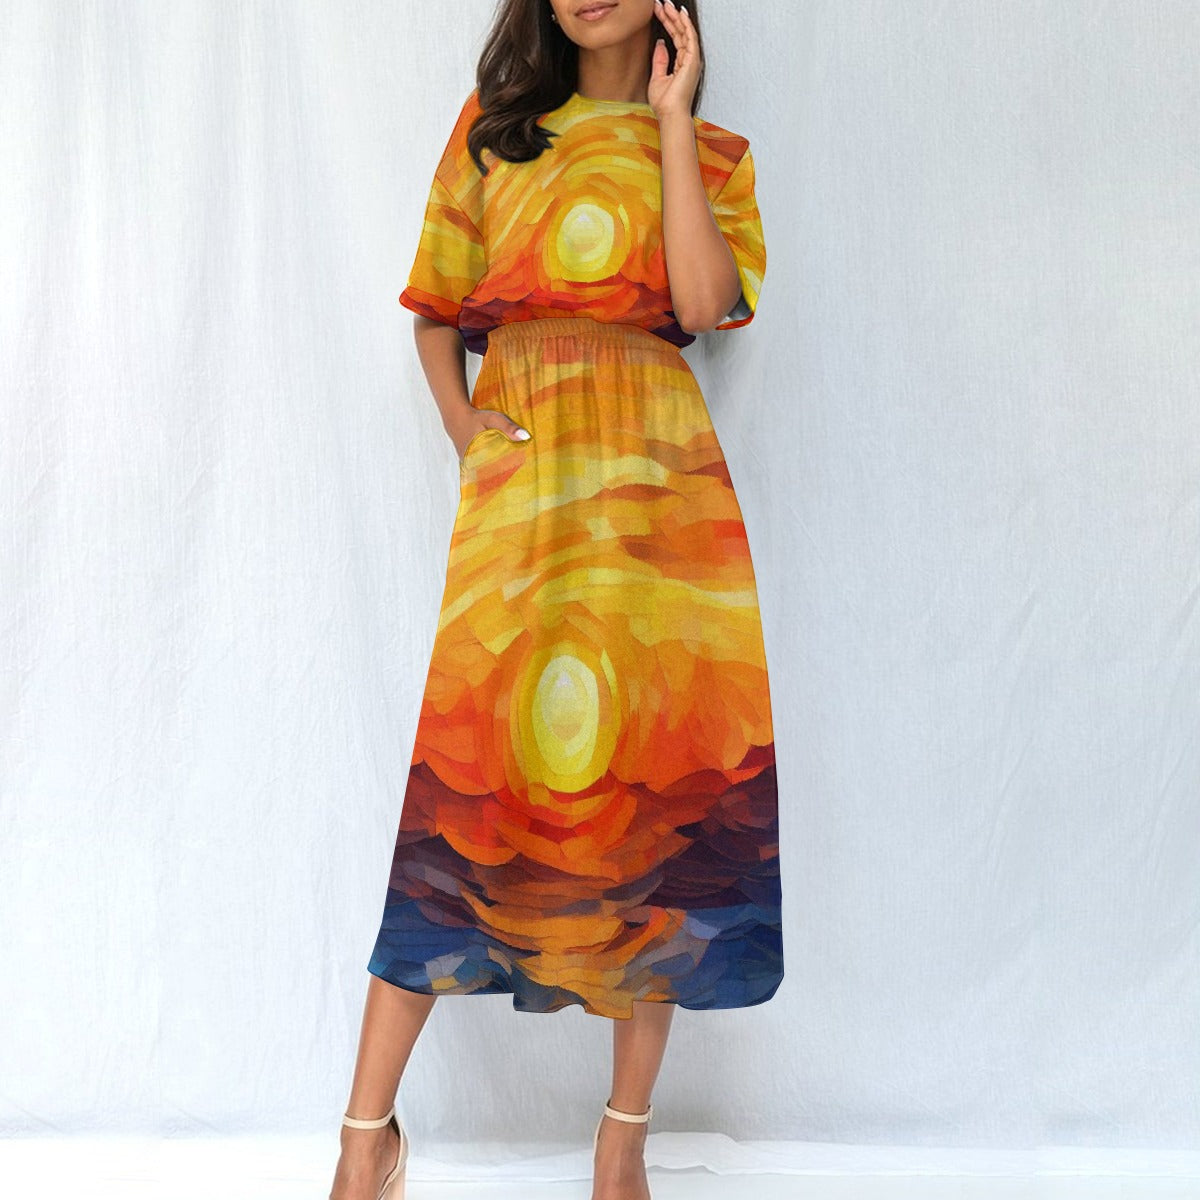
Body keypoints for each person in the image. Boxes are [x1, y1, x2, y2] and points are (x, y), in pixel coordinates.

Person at [329, 2, 782, 1198]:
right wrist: (463, 429)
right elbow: (438, 309)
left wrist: (671, 122)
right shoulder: (494, 134)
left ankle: (623, 1138)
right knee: (458, 800)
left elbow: (702, 307)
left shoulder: (716, 154)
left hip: (661, 503)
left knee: (660, 813)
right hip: (523, 491)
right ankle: (366, 1137)